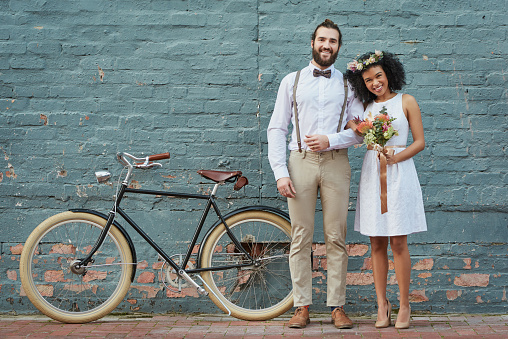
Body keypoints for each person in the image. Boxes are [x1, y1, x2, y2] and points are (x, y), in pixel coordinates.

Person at [267, 19, 364, 329]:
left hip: (337, 162)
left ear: (338, 47)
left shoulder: (349, 85)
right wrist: (280, 172)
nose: (327, 45)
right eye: (322, 40)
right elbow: (277, 128)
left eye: (333, 41)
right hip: (300, 162)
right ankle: (302, 306)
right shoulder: (291, 81)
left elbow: (360, 131)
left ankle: (336, 307)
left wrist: (330, 140)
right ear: (313, 43)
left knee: (336, 236)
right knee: (301, 237)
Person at [345, 51, 427, 329]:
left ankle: (404, 304)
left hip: (399, 173)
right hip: (373, 173)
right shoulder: (366, 108)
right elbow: (352, 125)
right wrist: (355, 127)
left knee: (398, 242)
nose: (375, 83)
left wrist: (396, 157)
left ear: (389, 73)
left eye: (378, 76)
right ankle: (382, 304)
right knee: (376, 242)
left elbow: (419, 142)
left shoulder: (407, 101)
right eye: (368, 80)